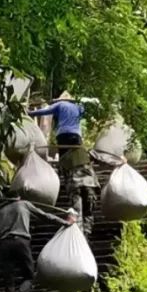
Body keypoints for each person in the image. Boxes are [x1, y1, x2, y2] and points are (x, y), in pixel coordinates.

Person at [0, 190, 70, 292]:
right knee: (30, 275)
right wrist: (64, 222)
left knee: (8, 279)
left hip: (4, 244)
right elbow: (45, 216)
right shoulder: (24, 204)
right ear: (18, 197)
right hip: (21, 242)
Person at [27, 92, 100, 235]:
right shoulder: (78, 107)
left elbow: (45, 111)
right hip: (76, 138)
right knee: (89, 211)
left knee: (77, 209)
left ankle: (79, 234)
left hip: (63, 137)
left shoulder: (59, 105)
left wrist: (29, 112)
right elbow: (88, 108)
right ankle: (87, 234)